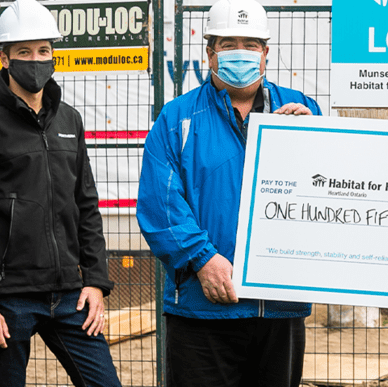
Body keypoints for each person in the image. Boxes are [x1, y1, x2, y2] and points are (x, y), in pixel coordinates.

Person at [135, 0, 320, 385]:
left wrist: (315, 141)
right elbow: (160, 204)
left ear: (266, 53)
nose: (241, 52)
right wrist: (203, 259)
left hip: (279, 309)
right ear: (210, 52)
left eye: (251, 44)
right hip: (202, 310)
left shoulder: (301, 110)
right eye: (228, 43)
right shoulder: (177, 119)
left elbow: (331, 191)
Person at [0, 0, 120, 385]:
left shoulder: (70, 119)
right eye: (24, 52)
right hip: (9, 302)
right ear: (4, 58)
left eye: (44, 50)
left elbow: (86, 205)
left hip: (72, 295)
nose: (36, 60)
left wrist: (95, 280)